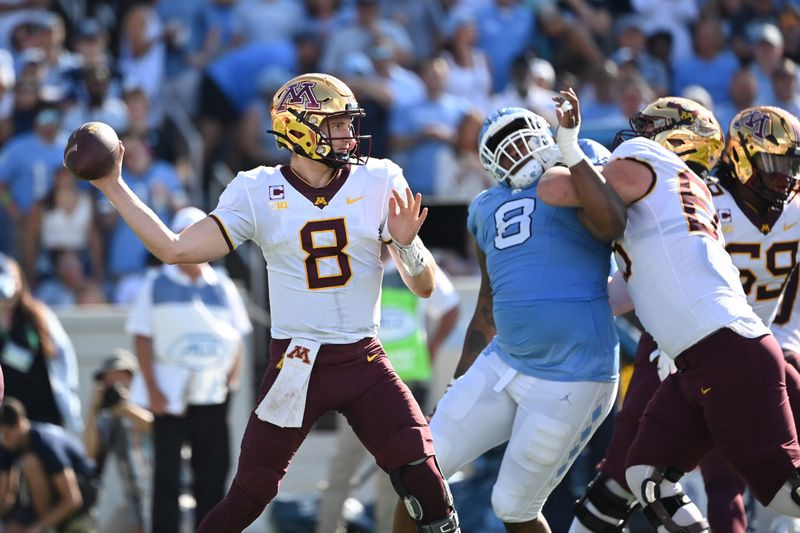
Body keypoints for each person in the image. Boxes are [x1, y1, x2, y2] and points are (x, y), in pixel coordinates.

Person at [88, 72, 460, 533]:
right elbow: (174, 249)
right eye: (336, 124)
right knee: (250, 495)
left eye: (348, 122)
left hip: (364, 358)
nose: (349, 133)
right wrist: (112, 185)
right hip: (297, 363)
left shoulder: (380, 178)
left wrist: (405, 245)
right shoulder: (257, 189)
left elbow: (423, 287)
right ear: (300, 129)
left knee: (424, 475)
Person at [537, 94, 800, 531]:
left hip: (723, 351)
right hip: (703, 356)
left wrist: (561, 148)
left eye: (649, 130)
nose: (635, 138)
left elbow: (555, 188)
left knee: (784, 494)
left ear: (671, 138)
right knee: (647, 475)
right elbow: (636, 284)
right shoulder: (685, 197)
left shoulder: (647, 161)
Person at [394, 103, 627, 533]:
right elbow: (488, 303)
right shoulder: (485, 206)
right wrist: (460, 379)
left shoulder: (580, 160)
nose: (514, 151)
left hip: (573, 372)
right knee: (418, 470)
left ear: (542, 133)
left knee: (513, 505)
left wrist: (570, 151)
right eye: (500, 148)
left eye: (519, 137)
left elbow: (612, 222)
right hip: (506, 360)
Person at [124, 206, 252, 533]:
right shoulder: (155, 284)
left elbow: (237, 338)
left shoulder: (224, 286)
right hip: (169, 398)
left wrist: (230, 383)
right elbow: (142, 336)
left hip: (212, 397)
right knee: (166, 478)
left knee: (212, 476)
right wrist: (152, 388)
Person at [316, 254, 461, 533]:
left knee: (396, 476)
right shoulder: (352, 259)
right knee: (342, 467)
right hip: (358, 384)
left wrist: (430, 350)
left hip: (405, 384)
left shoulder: (412, 262)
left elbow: (451, 307)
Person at [0, 252, 82, 433]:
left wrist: (69, 400)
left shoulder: (38, 315)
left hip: (43, 414)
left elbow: (63, 355)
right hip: (6, 417)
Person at [0, 397, 98, 532]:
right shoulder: (7, 444)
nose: (4, 441)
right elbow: (5, 497)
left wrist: (37, 527)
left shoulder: (45, 442)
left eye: (6, 435)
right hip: (46, 502)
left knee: (30, 463)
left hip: (82, 490)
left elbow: (73, 498)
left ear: (19, 423)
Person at [84, 348, 154, 533]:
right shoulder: (108, 418)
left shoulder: (150, 400)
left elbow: (160, 431)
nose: (114, 385)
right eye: (109, 381)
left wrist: (127, 408)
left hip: (169, 492)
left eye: (119, 378)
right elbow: (90, 453)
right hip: (134, 499)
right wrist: (93, 409)